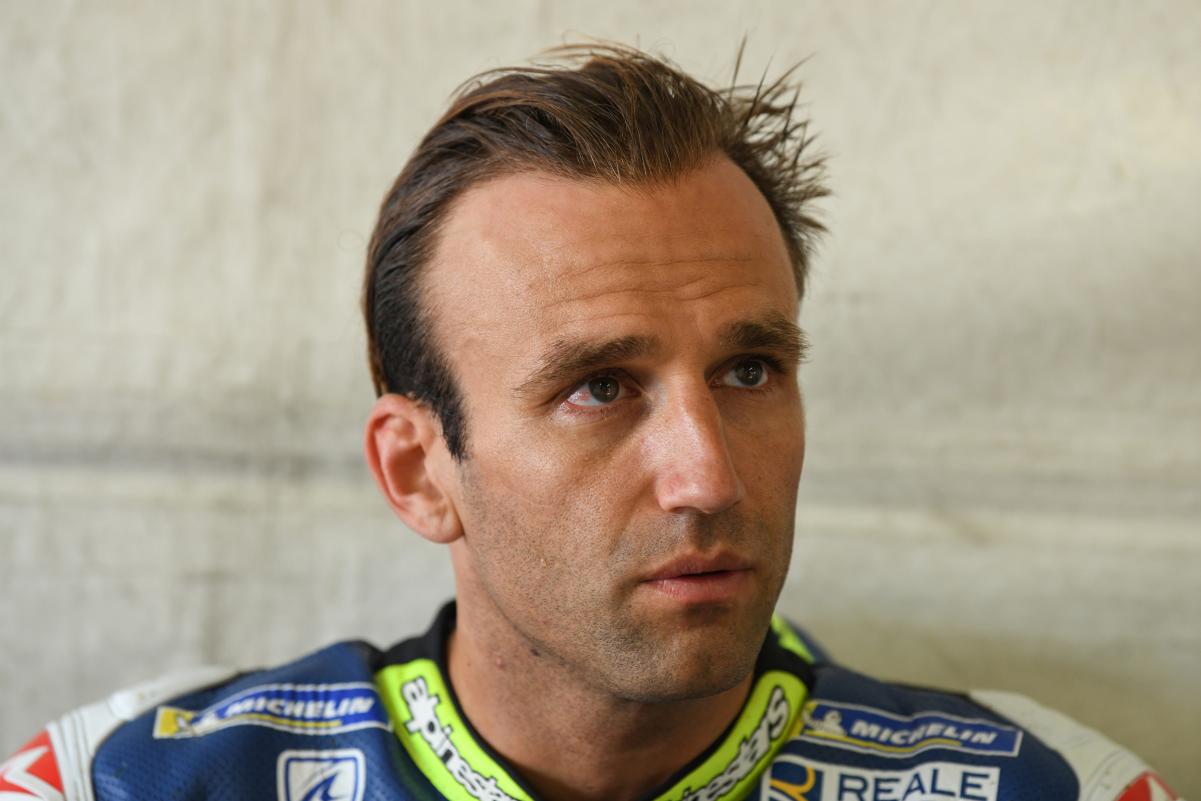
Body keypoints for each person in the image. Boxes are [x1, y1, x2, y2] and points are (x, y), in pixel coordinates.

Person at [1, 43, 1182, 801]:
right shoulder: (126, 780)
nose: (706, 477)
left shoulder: (1049, 785)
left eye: (750, 370)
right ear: (418, 472)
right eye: (599, 389)